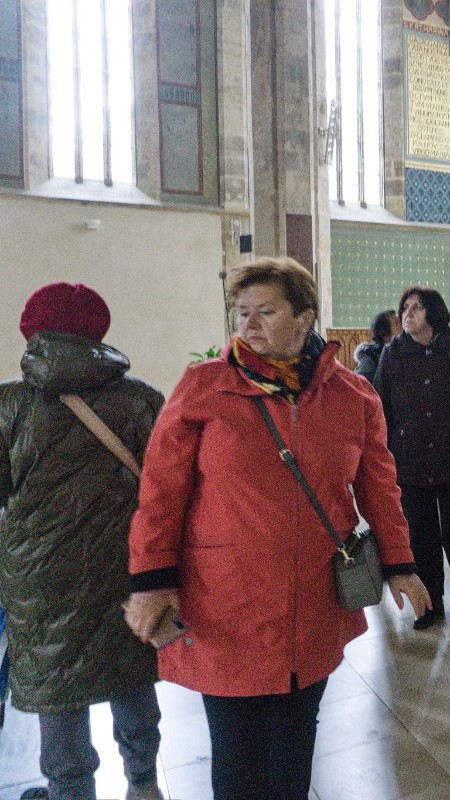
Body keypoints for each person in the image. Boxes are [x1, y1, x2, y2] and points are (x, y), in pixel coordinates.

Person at [124, 258, 431, 800]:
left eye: (265, 311)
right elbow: (161, 493)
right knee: (237, 754)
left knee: (294, 744)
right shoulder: (204, 387)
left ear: (304, 318)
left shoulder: (352, 396)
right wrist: (151, 580)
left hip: (312, 599)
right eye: (241, 311)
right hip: (226, 600)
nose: (249, 323)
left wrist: (400, 564)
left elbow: (380, 488)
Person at [0, 283, 166, 800]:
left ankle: (70, 790)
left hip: (39, 579)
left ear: (32, 332)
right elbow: (166, 489)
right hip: (127, 566)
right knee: (131, 673)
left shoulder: (9, 404)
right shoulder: (141, 400)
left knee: (58, 687)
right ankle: (143, 782)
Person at [375, 286, 450, 630]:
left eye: (416, 308)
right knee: (421, 537)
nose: (407, 314)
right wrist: (383, 457)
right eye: (405, 308)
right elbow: (381, 407)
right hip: (410, 459)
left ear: (433, 313)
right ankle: (431, 603)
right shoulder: (393, 353)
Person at [354, 309, 400, 381]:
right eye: (397, 323)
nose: (403, 325)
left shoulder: (404, 349)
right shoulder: (369, 357)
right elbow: (363, 385)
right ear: (384, 333)